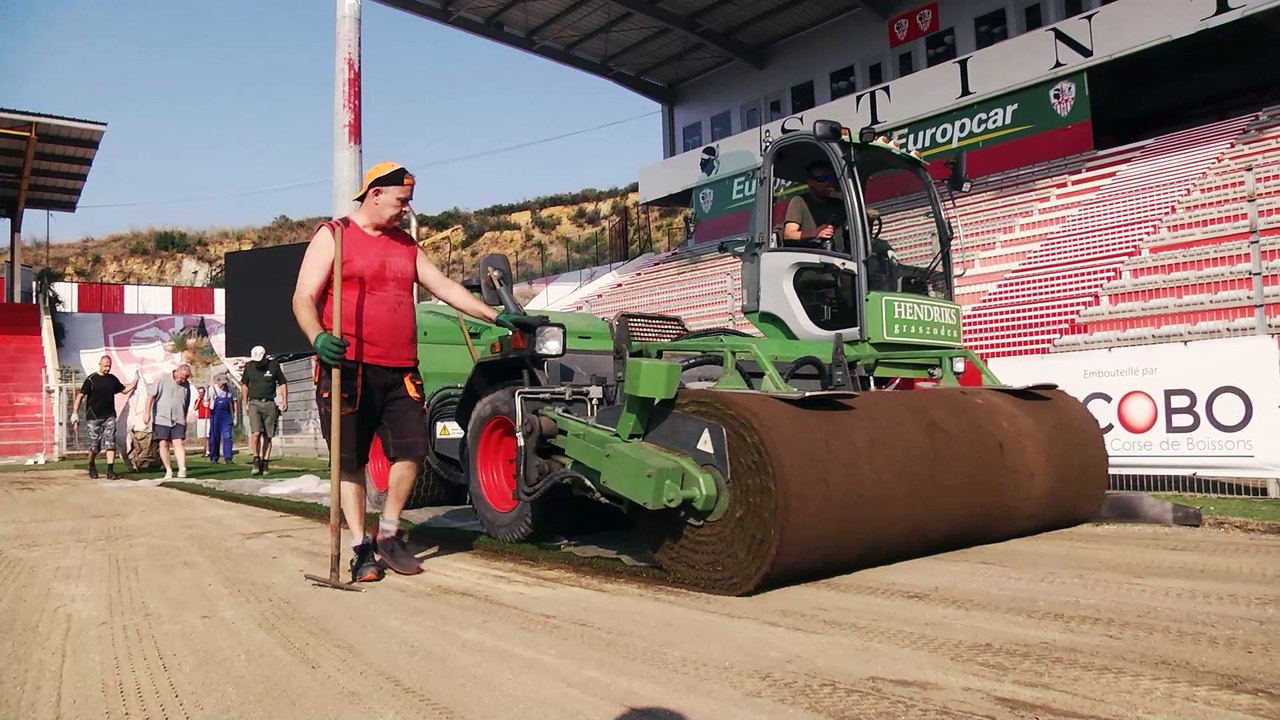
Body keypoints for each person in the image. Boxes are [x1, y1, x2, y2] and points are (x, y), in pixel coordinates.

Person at [291, 161, 526, 583]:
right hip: (348, 367)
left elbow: (447, 288)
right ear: (374, 194)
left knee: (413, 451)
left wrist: (496, 316)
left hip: (400, 368)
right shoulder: (334, 236)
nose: (406, 209)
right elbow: (303, 297)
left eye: (408, 202)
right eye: (401, 201)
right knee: (349, 461)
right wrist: (318, 337)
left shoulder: (406, 246)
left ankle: (389, 531)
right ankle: (361, 548)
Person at [70, 355, 139, 479]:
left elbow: (124, 390)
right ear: (100, 364)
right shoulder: (91, 379)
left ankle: (110, 471)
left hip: (109, 416)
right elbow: (80, 396)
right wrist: (75, 413)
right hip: (94, 417)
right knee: (95, 445)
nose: (107, 368)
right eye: (105, 366)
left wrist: (135, 381)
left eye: (109, 366)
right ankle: (91, 465)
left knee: (110, 443)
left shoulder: (112, 379)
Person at [241, 345, 288, 476]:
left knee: (268, 435)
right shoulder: (249, 367)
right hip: (254, 403)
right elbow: (244, 384)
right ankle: (256, 458)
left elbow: (282, 383)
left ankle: (265, 462)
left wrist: (284, 400)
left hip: (270, 404)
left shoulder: (273, 365)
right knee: (256, 432)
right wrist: (244, 402)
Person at [782, 160, 848, 251]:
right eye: (822, 179)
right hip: (810, 257)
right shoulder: (800, 201)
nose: (828, 183)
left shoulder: (838, 203)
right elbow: (789, 234)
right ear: (810, 182)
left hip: (839, 257)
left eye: (831, 178)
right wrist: (815, 233)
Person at [144, 363, 193, 479]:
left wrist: (184, 418)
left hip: (178, 418)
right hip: (162, 417)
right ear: (177, 371)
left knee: (178, 442)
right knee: (163, 443)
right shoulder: (163, 379)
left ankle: (182, 469)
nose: (183, 380)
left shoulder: (186, 385)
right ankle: (168, 470)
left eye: (186, 378)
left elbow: (186, 403)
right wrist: (146, 413)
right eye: (182, 377)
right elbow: (151, 396)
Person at [207, 373, 237, 463]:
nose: (223, 385)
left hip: (226, 416)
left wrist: (235, 416)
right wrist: (206, 403)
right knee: (214, 437)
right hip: (215, 415)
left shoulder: (230, 390)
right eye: (222, 383)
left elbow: (234, 402)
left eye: (225, 383)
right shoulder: (212, 389)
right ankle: (214, 457)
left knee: (227, 436)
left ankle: (228, 458)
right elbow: (206, 400)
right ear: (218, 382)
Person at [194, 386, 210, 454]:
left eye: (202, 392)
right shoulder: (197, 400)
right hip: (201, 419)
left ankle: (208, 450)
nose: (201, 394)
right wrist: (198, 399)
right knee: (203, 436)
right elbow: (195, 408)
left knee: (208, 436)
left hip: (208, 419)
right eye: (200, 392)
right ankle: (206, 449)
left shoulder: (208, 399)